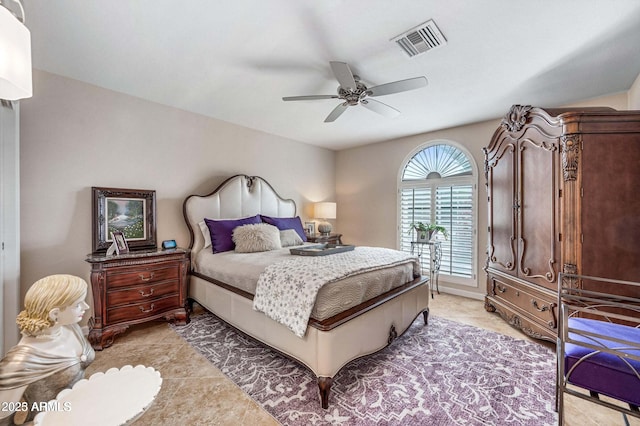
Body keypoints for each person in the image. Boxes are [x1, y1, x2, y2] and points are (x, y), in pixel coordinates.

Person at [0, 275, 95, 425]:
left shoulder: (71, 327)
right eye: (77, 304)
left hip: (82, 409)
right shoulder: (20, 362)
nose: (86, 307)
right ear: (55, 314)